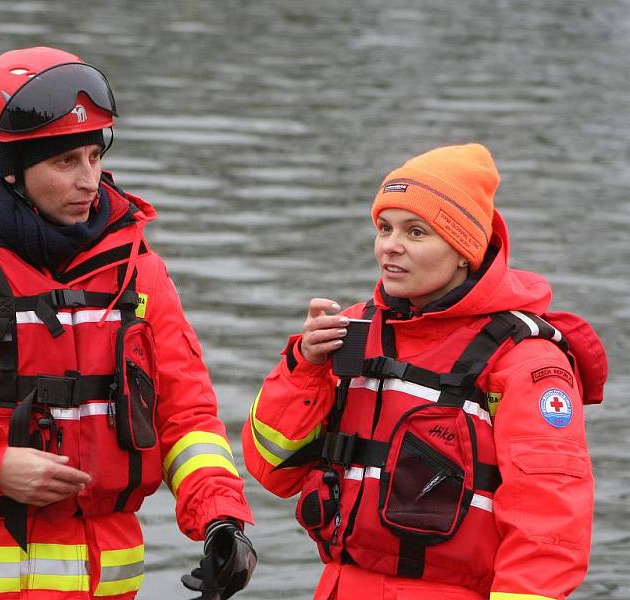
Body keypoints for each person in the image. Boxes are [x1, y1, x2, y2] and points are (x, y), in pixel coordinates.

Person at [0, 46, 256, 600]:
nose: (91, 181)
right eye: (66, 163)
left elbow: (187, 418)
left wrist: (220, 518)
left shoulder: (139, 274)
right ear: (12, 169)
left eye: (93, 156)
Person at [242, 143, 607, 600]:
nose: (390, 245)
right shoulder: (353, 330)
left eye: (416, 233)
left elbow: (550, 525)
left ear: (463, 252)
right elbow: (271, 470)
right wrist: (304, 367)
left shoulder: (526, 362)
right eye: (384, 227)